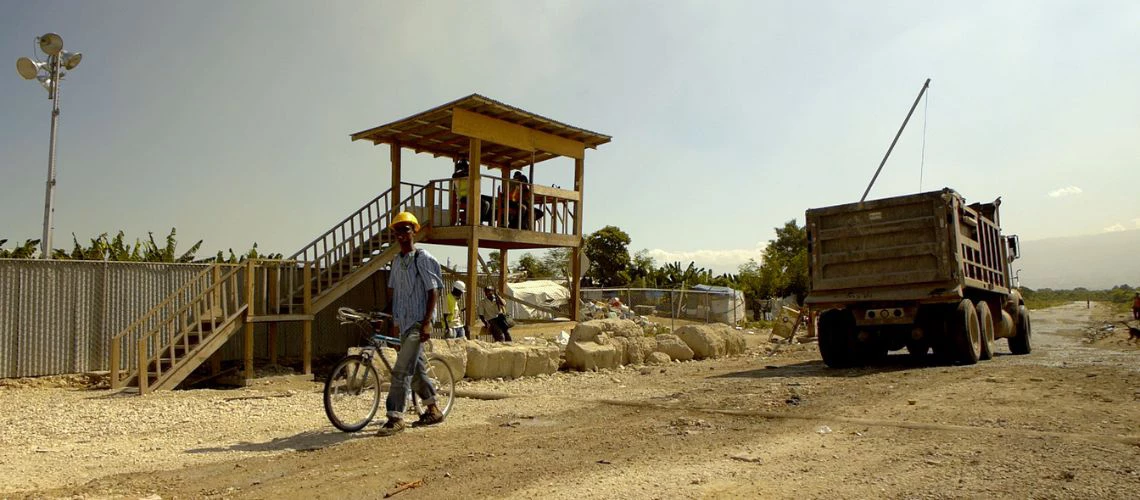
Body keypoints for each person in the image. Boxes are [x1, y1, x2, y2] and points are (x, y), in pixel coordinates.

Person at [377, 211, 446, 436]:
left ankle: (395, 417)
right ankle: (433, 409)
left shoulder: (422, 258)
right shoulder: (396, 262)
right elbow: (395, 295)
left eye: (406, 229)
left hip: (418, 322)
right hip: (404, 323)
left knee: (401, 370)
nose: (401, 234)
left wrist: (427, 323)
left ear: (414, 231)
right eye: (398, 230)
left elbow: (433, 290)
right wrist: (386, 319)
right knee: (415, 369)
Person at [449, 158, 469, 225]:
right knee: (485, 204)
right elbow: (455, 175)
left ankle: (466, 220)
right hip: (463, 197)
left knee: (486, 204)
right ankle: (474, 221)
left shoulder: (465, 174)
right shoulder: (458, 175)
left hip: (468, 196)